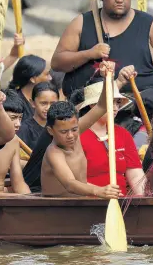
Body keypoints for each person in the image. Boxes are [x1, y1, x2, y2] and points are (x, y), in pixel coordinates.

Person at [51, 0, 153, 98]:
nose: (119, 0)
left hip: (140, 110)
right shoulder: (81, 23)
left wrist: (149, 80)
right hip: (87, 109)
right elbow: (57, 63)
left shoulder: (151, 25)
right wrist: (89, 54)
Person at [41, 61, 121, 198]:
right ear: (50, 131)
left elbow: (101, 106)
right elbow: (70, 184)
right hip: (56, 209)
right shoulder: (53, 152)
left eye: (74, 129)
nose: (71, 135)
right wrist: (98, 191)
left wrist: (107, 77)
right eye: (63, 132)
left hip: (80, 202)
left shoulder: (77, 129)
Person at [73, 71, 145, 196]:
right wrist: (100, 191)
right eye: (111, 102)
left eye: (117, 102)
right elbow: (71, 180)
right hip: (84, 205)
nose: (116, 108)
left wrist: (146, 201)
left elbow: (136, 175)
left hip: (119, 205)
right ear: (93, 105)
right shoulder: (75, 134)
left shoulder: (123, 134)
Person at [0, 90, 30, 196]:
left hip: (4, 201)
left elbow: (18, 183)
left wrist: (29, 198)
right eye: (13, 118)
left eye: (20, 118)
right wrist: (8, 196)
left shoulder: (14, 140)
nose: (18, 124)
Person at [7, 55, 53, 121]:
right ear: (33, 79)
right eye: (47, 74)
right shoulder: (13, 101)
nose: (50, 78)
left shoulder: (48, 96)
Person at [17, 82, 59, 151]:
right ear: (32, 103)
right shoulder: (23, 130)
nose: (48, 108)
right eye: (43, 103)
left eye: (53, 103)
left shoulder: (60, 127)